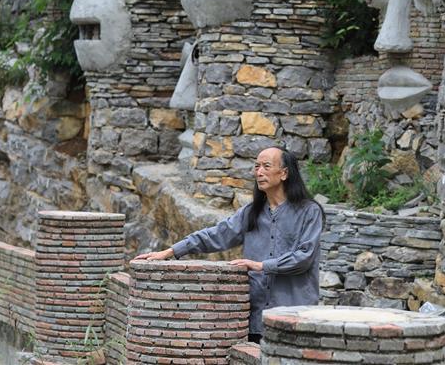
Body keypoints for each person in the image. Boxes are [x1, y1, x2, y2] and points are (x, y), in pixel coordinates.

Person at [134, 146, 324, 343]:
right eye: (256, 166)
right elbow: (216, 235)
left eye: (266, 166)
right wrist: (171, 251)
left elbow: (305, 257)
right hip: (256, 320)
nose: (259, 172)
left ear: (284, 173)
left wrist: (261, 266)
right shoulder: (251, 212)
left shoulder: (309, 212)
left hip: (295, 317)